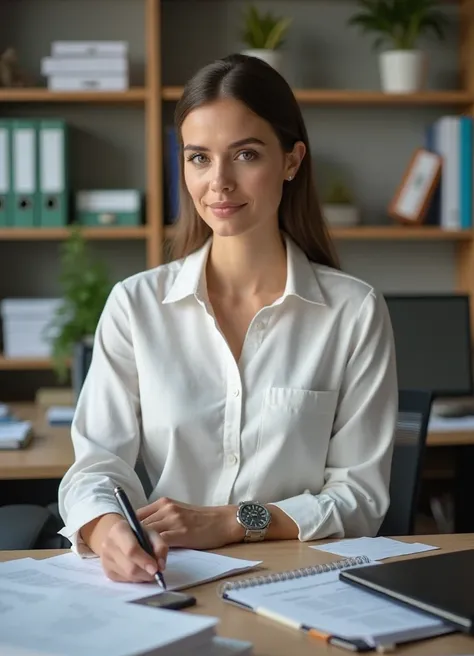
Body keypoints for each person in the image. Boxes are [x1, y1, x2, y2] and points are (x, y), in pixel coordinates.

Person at [58, 54, 398, 584]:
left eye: (245, 154)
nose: (218, 182)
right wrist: (108, 531)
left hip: (301, 583)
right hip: (167, 578)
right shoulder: (136, 305)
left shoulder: (353, 312)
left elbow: (360, 497)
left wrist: (233, 522)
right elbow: (97, 465)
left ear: (291, 160)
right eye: (199, 158)